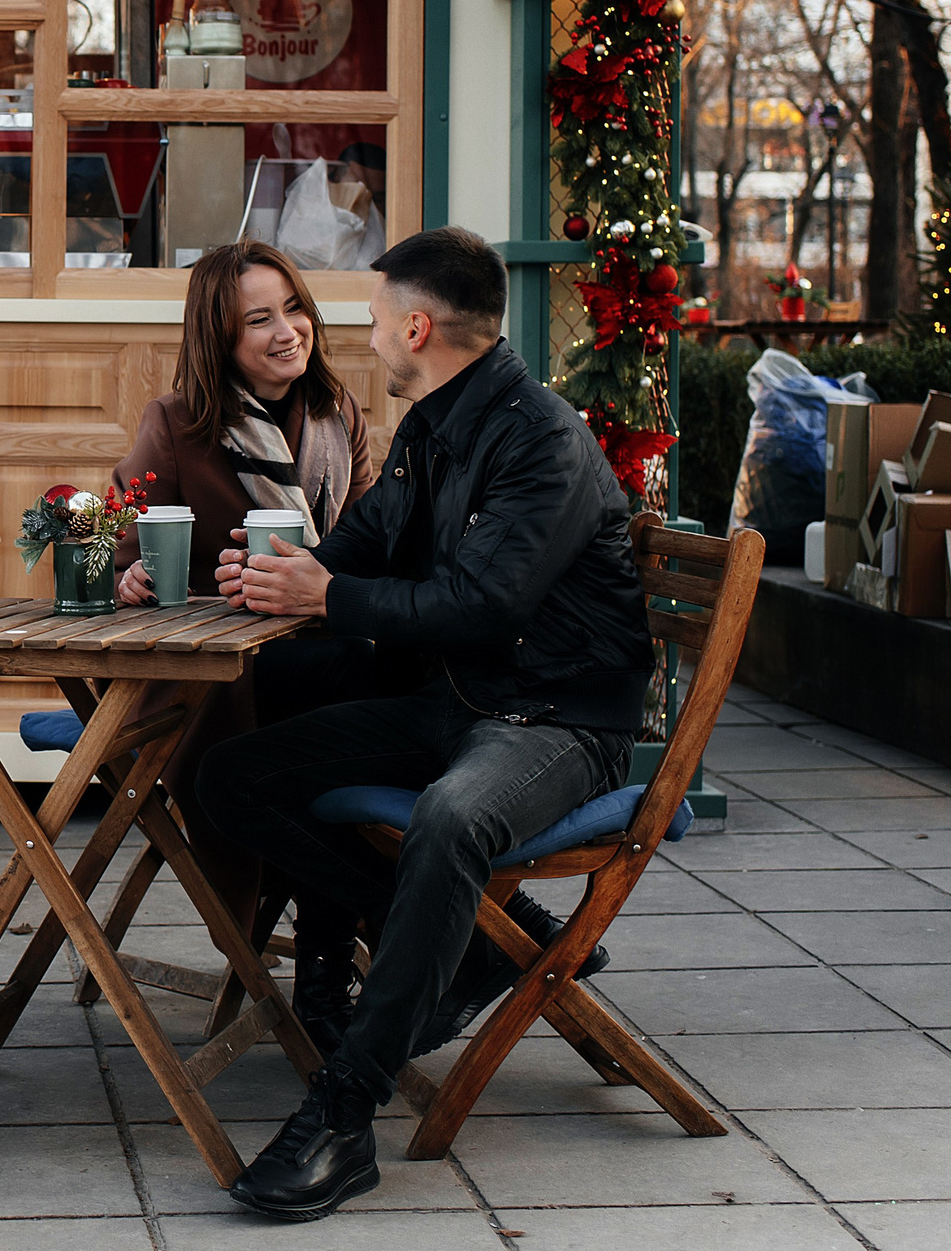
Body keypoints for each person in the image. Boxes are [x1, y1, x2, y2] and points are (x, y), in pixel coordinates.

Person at [195, 226, 650, 1223]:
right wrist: (279, 582)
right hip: (457, 703)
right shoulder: (430, 424)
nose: (362, 339)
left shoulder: (542, 440)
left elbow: (479, 603)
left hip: (556, 719)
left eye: (369, 319)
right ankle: (464, 943)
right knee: (229, 777)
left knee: (448, 820)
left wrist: (330, 593)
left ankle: (341, 1114)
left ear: (416, 323)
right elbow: (359, 549)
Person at [107, 239, 380, 1049]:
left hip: (319, 665)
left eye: (294, 307)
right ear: (219, 338)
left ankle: (334, 958)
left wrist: (325, 576)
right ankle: (378, 941)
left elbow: (374, 542)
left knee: (348, 708)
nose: (288, 329)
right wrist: (132, 576)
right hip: (217, 688)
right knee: (340, 724)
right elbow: (122, 536)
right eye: (258, 319)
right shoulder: (179, 423)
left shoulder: (340, 416)